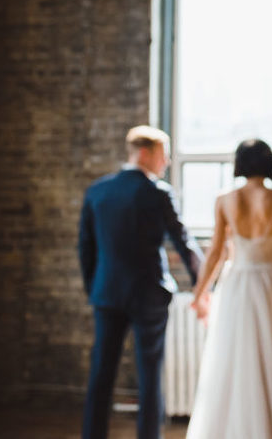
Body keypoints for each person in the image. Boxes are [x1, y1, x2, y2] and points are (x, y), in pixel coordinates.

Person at [185, 139, 272, 439]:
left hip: (237, 284)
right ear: (268, 162)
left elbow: (215, 252)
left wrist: (199, 294)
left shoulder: (225, 199)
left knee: (233, 357)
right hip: (271, 283)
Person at [79, 125, 203, 439]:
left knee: (101, 373)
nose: (168, 162)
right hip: (149, 295)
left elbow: (85, 248)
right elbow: (183, 241)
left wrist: (94, 288)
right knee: (150, 376)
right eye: (164, 154)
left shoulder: (97, 191)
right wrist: (202, 286)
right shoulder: (157, 192)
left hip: (106, 293)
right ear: (146, 153)